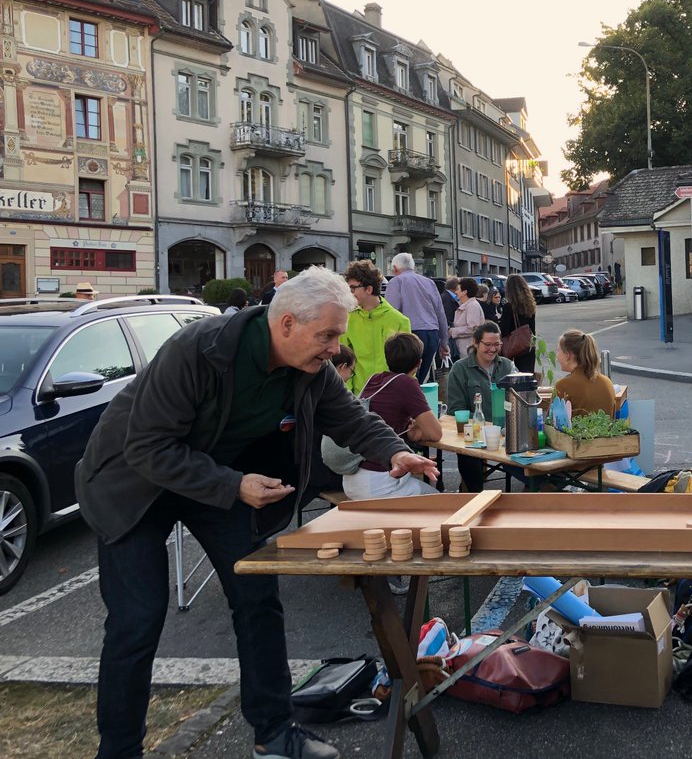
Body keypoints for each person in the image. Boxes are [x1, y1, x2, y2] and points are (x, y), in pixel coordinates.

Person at [77, 266, 438, 759]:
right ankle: (118, 752)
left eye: (339, 335)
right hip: (135, 481)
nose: (336, 348)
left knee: (258, 599)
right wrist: (233, 484)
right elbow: (147, 446)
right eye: (328, 335)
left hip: (217, 484)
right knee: (136, 620)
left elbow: (351, 415)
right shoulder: (198, 351)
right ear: (286, 323)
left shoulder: (309, 366)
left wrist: (395, 450)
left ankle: (274, 734)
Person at [338, 333, 441, 500]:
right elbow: (435, 433)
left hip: (351, 476)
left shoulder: (374, 379)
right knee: (439, 502)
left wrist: (411, 430)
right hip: (378, 482)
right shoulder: (406, 383)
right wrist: (416, 428)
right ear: (419, 362)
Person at [445, 321, 515, 491]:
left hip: (506, 432)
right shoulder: (460, 369)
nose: (492, 349)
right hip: (475, 432)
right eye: (488, 344)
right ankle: (473, 495)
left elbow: (518, 397)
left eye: (497, 344)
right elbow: (455, 410)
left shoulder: (507, 365)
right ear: (475, 343)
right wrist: (481, 425)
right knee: (468, 457)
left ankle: (531, 496)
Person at [340, 260, 411, 395]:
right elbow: (343, 363)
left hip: (391, 395)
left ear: (369, 289)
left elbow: (408, 366)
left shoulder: (400, 321)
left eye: (353, 288)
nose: (349, 293)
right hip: (358, 397)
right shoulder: (347, 319)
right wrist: (347, 395)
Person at [383, 253, 449, 385]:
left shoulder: (396, 282)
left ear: (395, 268)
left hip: (410, 334)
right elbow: (440, 313)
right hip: (432, 333)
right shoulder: (429, 282)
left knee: (408, 379)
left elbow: (391, 312)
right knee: (422, 379)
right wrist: (444, 342)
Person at [554, 329, 617, 417]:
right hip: (604, 430)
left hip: (576, 431)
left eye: (558, 350)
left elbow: (552, 424)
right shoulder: (607, 382)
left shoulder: (563, 385)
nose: (556, 355)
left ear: (567, 355)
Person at [499, 275, 537, 374]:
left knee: (513, 375)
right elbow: (532, 327)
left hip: (514, 347)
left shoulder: (509, 307)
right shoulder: (530, 305)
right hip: (528, 345)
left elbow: (505, 329)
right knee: (527, 375)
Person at [447, 277, 485, 359]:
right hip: (464, 350)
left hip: (469, 351)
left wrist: (452, 331)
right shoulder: (466, 305)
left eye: (458, 289)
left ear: (464, 292)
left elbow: (472, 328)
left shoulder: (472, 306)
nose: (456, 292)